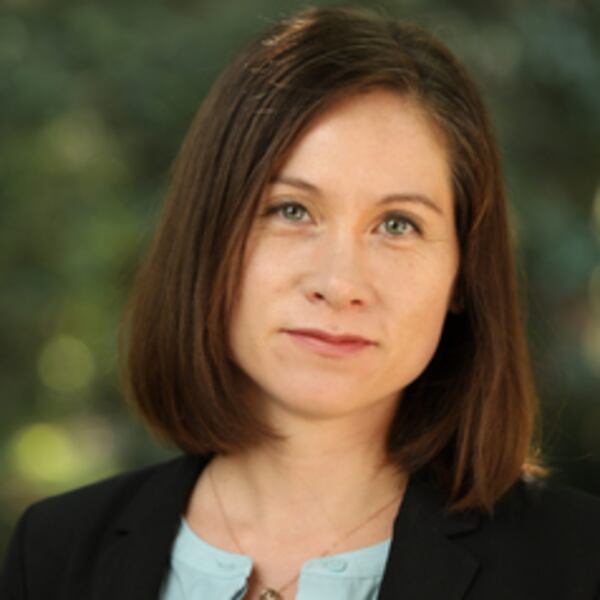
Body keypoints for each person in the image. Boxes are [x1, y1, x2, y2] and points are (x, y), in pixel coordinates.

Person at [1, 5, 599, 599]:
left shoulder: (577, 563)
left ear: (463, 276)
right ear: (209, 239)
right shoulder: (53, 554)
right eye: (291, 210)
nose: (339, 284)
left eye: (397, 224)